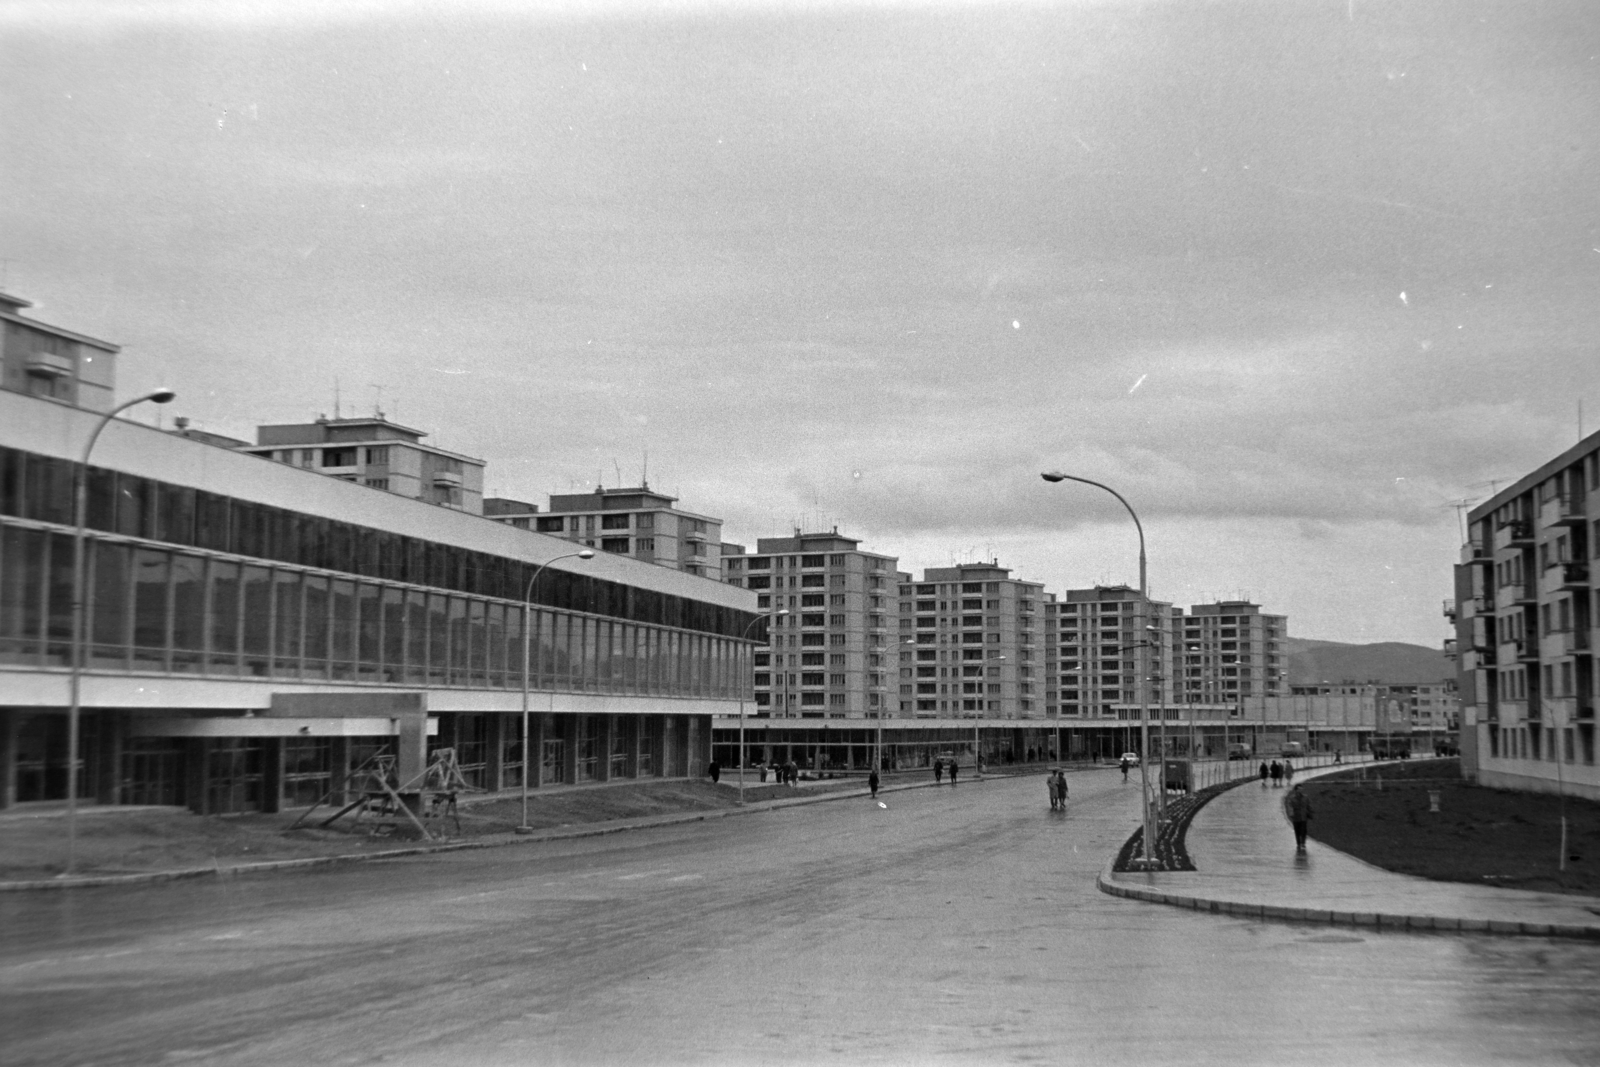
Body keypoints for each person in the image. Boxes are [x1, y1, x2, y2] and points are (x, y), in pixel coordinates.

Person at [1284, 785, 1313, 852]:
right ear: (1296, 790)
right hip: (1296, 816)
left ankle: (1303, 843)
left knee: (1304, 830)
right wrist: (1291, 813)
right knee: (1297, 831)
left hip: (1303, 816)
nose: (1301, 791)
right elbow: (1289, 806)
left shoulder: (1305, 797)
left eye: (1301, 789)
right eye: (1299, 789)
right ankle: (1298, 843)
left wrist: (1310, 812)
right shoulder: (1292, 798)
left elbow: (1309, 805)